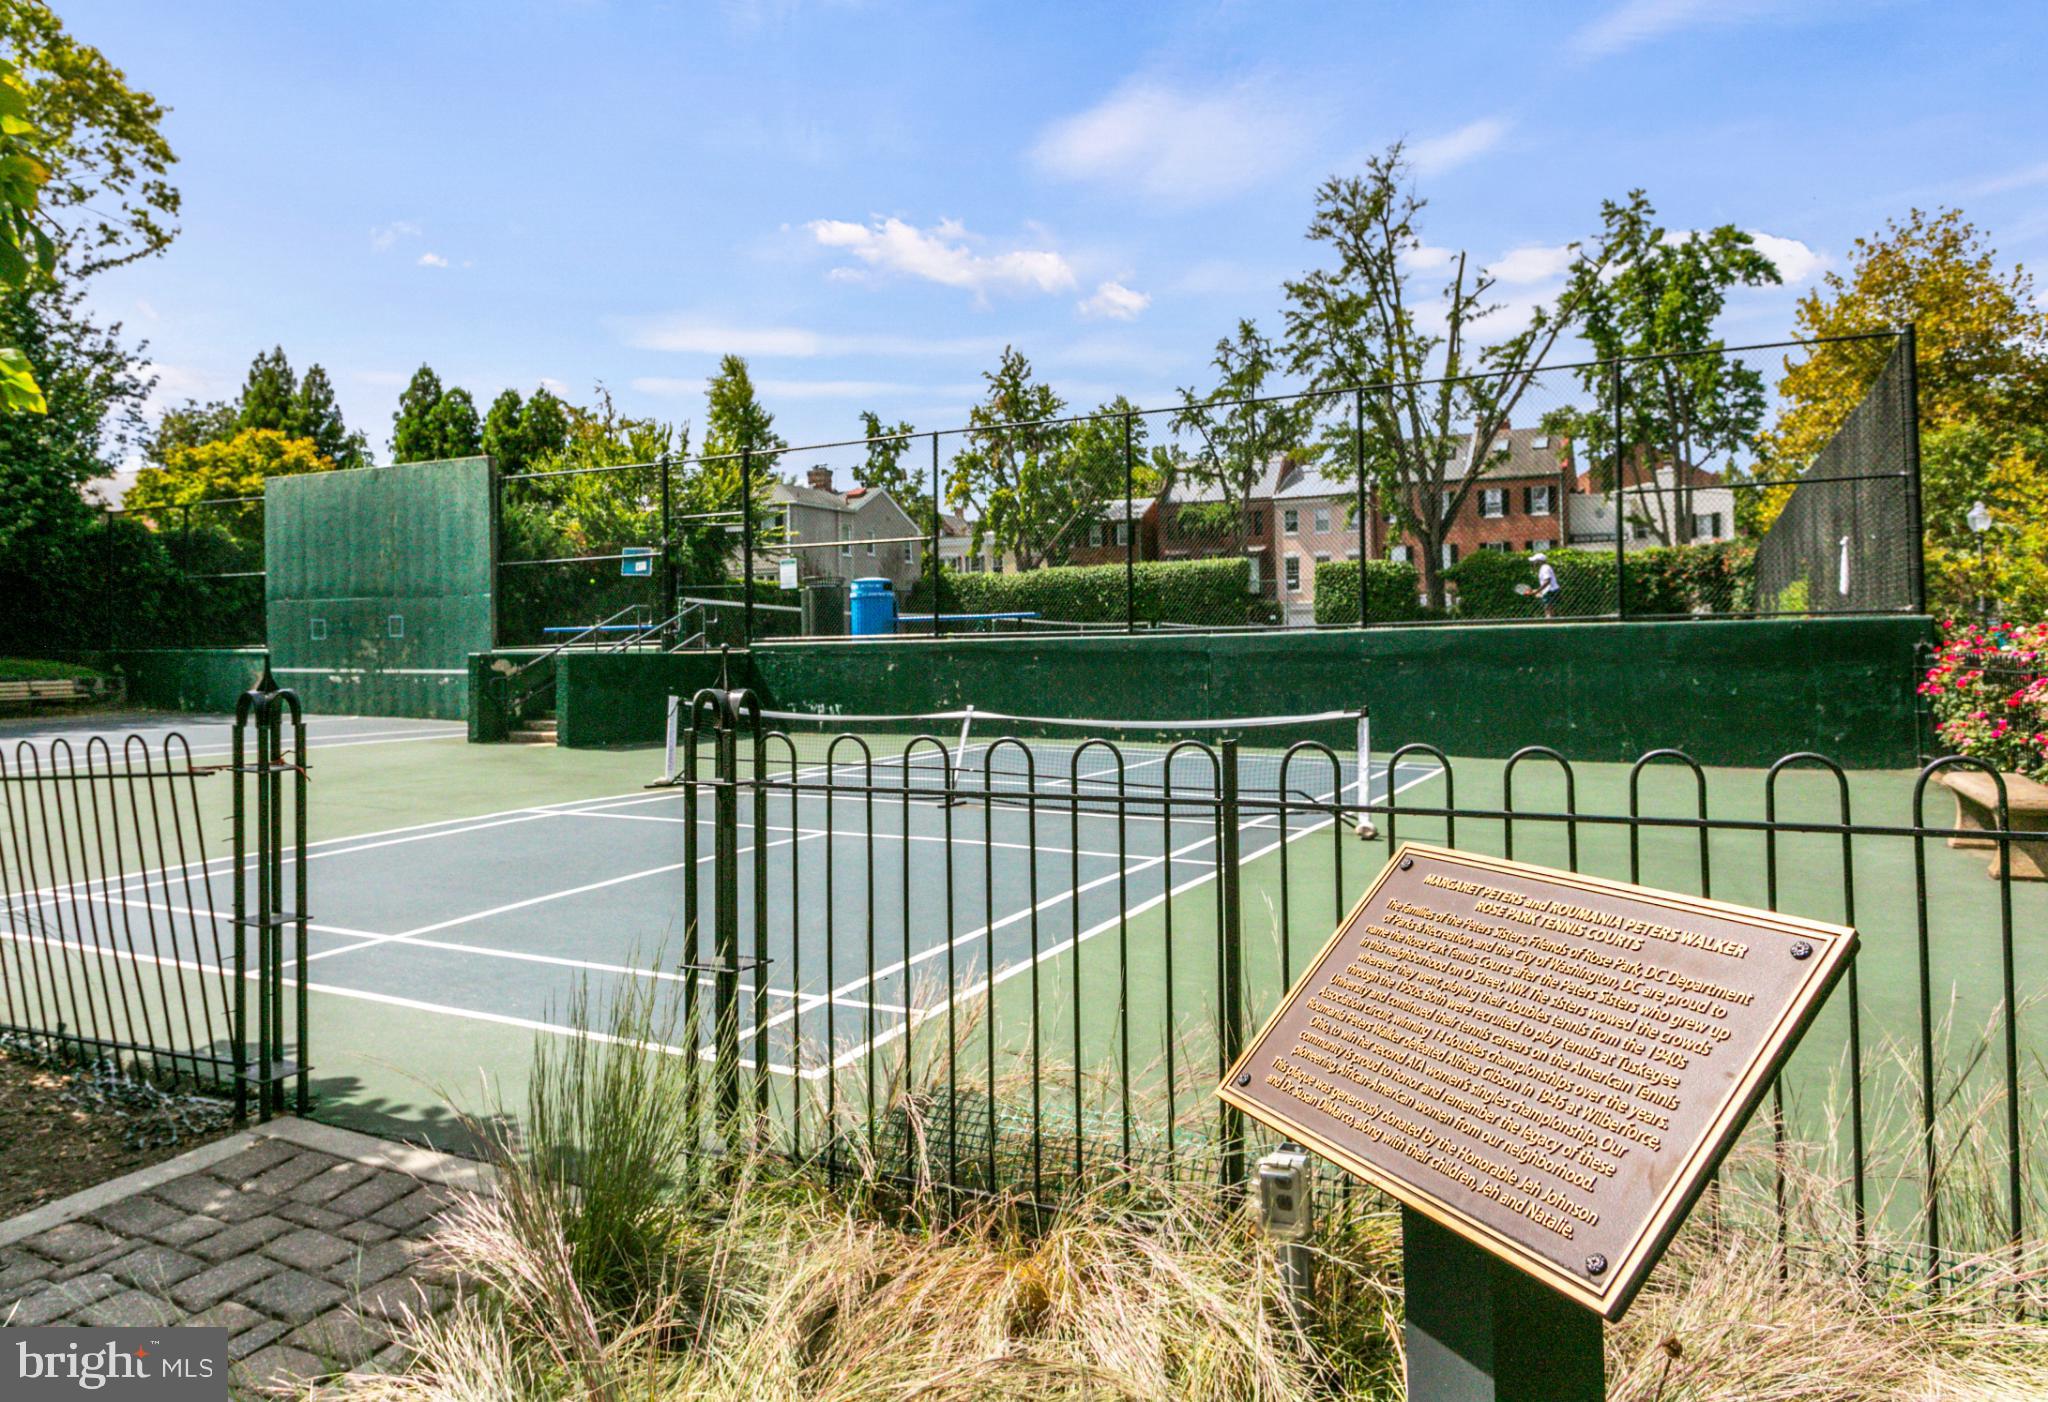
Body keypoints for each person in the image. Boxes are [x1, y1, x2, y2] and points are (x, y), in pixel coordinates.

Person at [1531, 552, 1560, 618]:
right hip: (1550, 591)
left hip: (1550, 591)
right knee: (1549, 609)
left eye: (1535, 561)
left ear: (1539, 561)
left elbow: (1547, 581)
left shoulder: (1545, 568)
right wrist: (1540, 592)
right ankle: (1552, 623)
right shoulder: (1544, 567)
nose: (1534, 563)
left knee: (1548, 609)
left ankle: (1550, 624)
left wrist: (1537, 591)